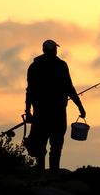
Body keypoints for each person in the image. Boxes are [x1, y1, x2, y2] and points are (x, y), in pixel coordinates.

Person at [24, 39, 86, 172]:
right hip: (58, 113)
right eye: (55, 49)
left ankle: (41, 171)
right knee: (56, 145)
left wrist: (28, 111)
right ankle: (54, 173)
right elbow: (69, 88)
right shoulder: (61, 66)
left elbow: (30, 91)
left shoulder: (34, 67)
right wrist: (80, 107)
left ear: (43, 50)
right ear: (54, 50)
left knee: (40, 144)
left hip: (40, 113)